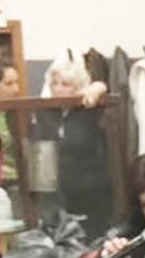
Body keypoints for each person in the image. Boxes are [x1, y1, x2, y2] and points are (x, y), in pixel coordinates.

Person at [36, 55, 115, 240]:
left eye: (65, 84)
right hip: (55, 196)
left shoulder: (89, 110)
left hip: (90, 193)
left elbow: (104, 88)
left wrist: (97, 88)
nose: (58, 88)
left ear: (78, 87)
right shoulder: (44, 113)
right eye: (54, 83)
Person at [0, 56, 21, 210]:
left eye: (17, 82)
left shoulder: (20, 113)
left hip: (19, 186)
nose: (16, 89)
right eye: (9, 84)